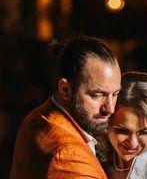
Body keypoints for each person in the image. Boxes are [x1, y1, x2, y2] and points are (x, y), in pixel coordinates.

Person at [9, 36, 122, 179]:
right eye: (97, 95)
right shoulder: (70, 159)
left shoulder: (39, 116)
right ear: (65, 90)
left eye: (115, 94)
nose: (110, 108)